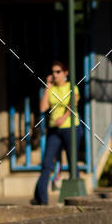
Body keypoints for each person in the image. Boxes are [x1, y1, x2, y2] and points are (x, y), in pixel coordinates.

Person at [31, 61, 82, 205]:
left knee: (72, 162)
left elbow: (73, 105)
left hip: (71, 128)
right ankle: (41, 199)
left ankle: (77, 198)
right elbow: (42, 108)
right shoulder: (51, 89)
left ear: (65, 73)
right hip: (54, 130)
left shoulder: (72, 87)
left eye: (58, 71)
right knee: (47, 163)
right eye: (53, 72)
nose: (55, 74)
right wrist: (47, 88)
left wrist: (64, 118)